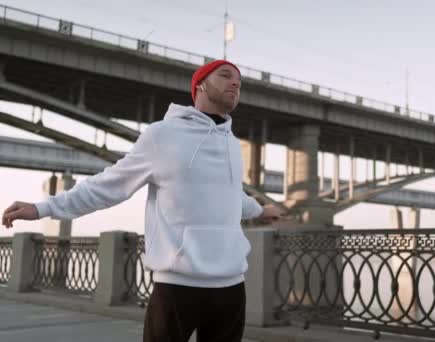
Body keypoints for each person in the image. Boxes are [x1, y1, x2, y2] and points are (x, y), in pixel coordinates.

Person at [2, 59, 285, 342]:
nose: (235, 83)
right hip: (177, 286)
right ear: (200, 86)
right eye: (225, 76)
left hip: (231, 287)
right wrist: (43, 208)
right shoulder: (162, 135)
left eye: (239, 81)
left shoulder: (232, 144)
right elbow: (109, 185)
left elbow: (232, 196)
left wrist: (261, 209)